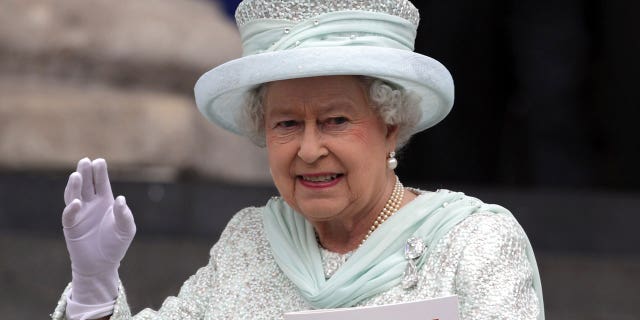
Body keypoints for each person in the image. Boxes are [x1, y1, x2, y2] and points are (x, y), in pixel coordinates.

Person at [51, 0, 544, 319]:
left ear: (390, 125)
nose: (309, 150)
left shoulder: (474, 243)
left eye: (334, 121)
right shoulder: (251, 243)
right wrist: (93, 287)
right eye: (287, 124)